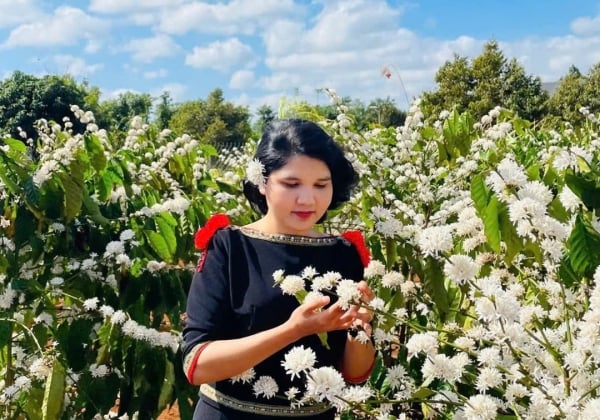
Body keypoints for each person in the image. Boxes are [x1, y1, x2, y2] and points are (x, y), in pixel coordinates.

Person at [182, 118, 377, 419]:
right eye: (291, 183)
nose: (307, 199)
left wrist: (359, 331)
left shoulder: (344, 255)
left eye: (320, 185)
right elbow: (197, 364)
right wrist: (294, 330)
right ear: (262, 181)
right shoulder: (230, 247)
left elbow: (355, 373)